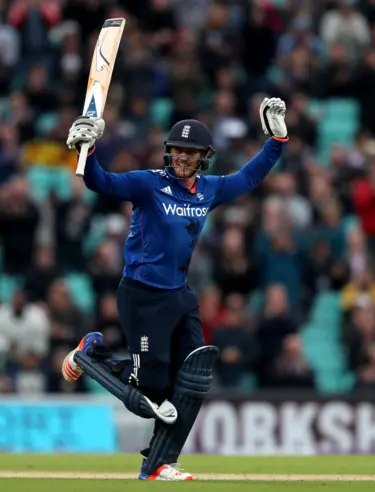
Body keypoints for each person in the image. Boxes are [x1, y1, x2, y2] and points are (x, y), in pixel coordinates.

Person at [62, 97, 289, 480]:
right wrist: (89, 149)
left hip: (179, 297)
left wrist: (277, 141)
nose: (183, 158)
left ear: (204, 157)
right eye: (178, 151)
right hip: (142, 296)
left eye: (191, 152)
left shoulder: (208, 190)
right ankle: (90, 353)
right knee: (149, 395)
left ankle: (159, 463)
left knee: (194, 378)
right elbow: (100, 181)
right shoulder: (149, 184)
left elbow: (248, 178)